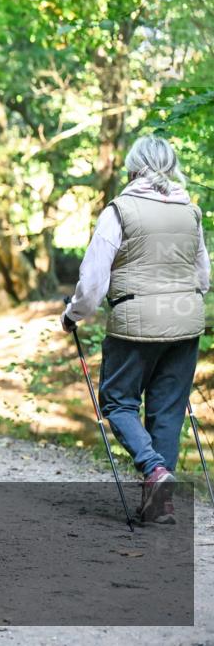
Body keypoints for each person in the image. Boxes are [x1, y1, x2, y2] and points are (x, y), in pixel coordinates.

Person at [62, 135, 209, 525]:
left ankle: (153, 469)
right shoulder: (190, 212)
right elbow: (203, 278)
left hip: (134, 323)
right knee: (168, 410)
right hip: (186, 323)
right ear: (172, 167)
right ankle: (160, 503)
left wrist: (73, 314)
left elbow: (94, 281)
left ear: (133, 167)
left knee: (118, 402)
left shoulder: (120, 211)